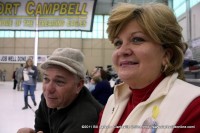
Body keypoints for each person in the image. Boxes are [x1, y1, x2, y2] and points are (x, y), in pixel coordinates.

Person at [95, 3, 200, 133]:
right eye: (118, 43)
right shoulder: (112, 101)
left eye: (137, 39)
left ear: (166, 55)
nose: (122, 51)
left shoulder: (193, 107)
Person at [17, 48, 103, 133]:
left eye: (59, 81)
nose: (48, 89)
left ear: (78, 85)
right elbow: (41, 127)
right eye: (46, 79)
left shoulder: (83, 119)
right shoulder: (49, 98)